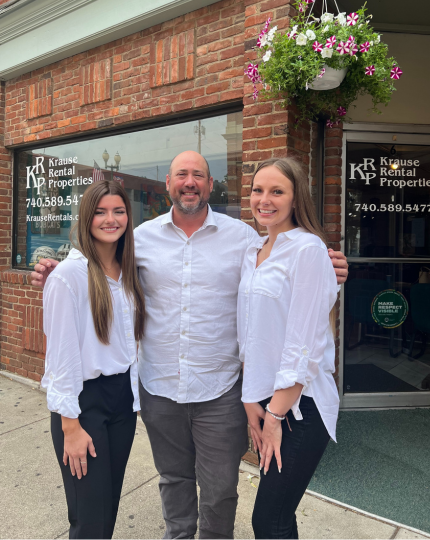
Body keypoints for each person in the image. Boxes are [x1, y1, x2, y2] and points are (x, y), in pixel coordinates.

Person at [32, 151, 348, 539]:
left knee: (219, 491)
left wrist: (329, 269)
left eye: (199, 174)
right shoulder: (140, 239)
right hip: (159, 388)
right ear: (168, 184)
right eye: (181, 174)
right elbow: (97, 267)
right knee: (173, 481)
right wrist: (52, 269)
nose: (190, 181)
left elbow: (289, 274)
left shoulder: (246, 240)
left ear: (210, 185)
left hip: (221, 391)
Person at [238, 157, 340, 539]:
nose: (264, 199)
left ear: (296, 199)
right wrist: (253, 403)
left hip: (300, 406)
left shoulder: (307, 249)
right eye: (257, 190)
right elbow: (251, 334)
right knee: (277, 514)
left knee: (269, 519)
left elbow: (304, 342)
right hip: (266, 401)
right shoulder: (255, 252)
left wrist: (276, 417)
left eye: (277, 191)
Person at [41, 180, 145, 539]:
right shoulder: (68, 277)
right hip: (84, 405)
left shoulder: (128, 270)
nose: (110, 219)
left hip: (122, 401)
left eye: (118, 211)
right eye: (100, 212)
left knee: (108, 509)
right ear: (86, 217)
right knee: (89, 520)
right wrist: (70, 426)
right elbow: (61, 357)